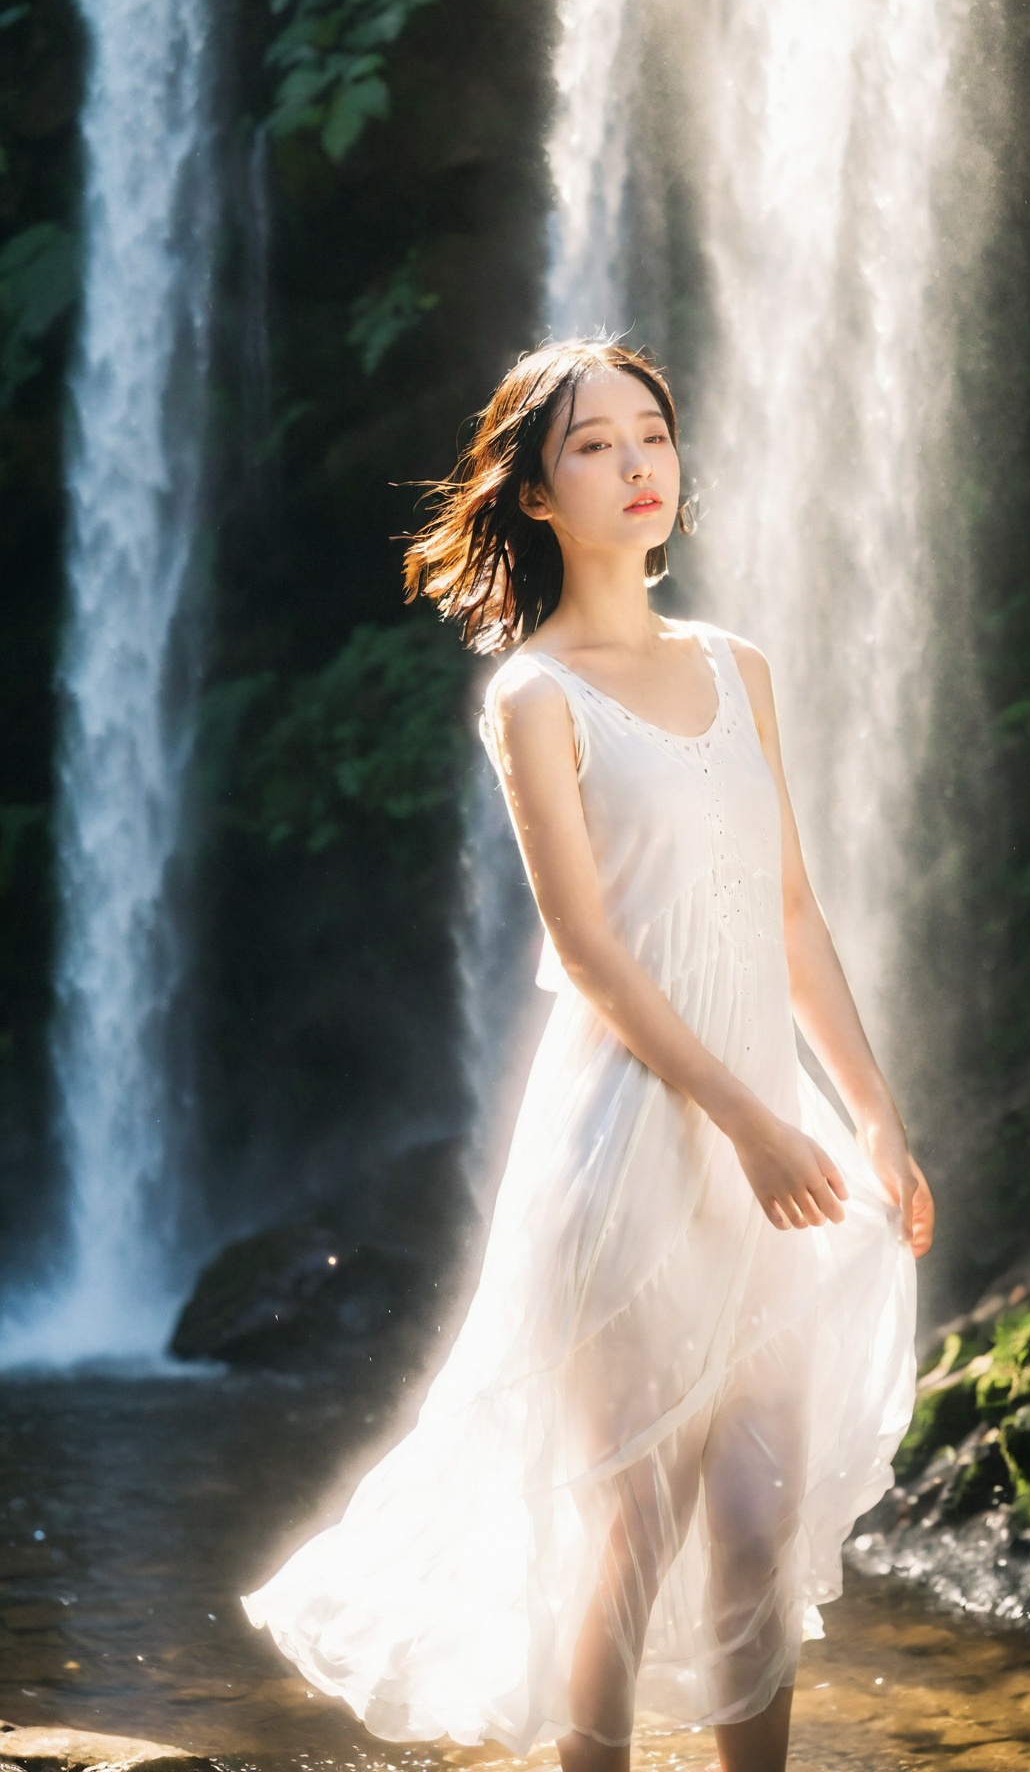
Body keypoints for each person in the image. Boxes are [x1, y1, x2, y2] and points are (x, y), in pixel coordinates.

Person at [243, 339, 932, 1772]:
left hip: (770, 1131)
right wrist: (748, 1119)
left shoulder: (739, 667)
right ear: (538, 494)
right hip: (632, 1135)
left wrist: (874, 1117)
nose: (637, 467)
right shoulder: (535, 698)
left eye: (653, 437)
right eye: (597, 446)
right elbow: (595, 957)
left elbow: (793, 912)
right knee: (630, 1517)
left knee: (758, 1513)